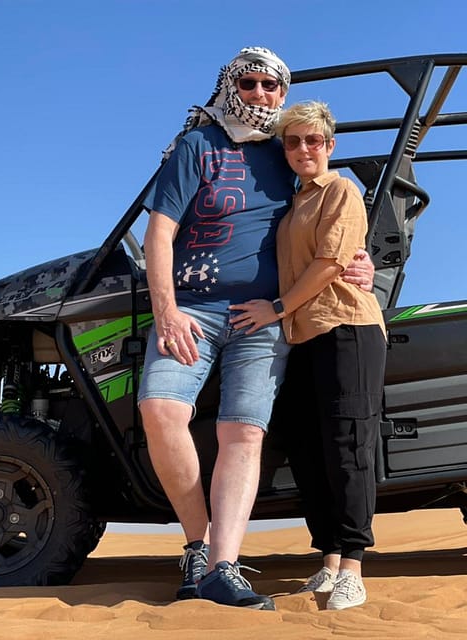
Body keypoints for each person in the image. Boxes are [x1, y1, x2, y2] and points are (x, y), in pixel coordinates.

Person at [138, 48, 375, 611]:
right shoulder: (197, 145)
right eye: (249, 83)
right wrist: (166, 310)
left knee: (243, 433)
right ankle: (198, 547)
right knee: (160, 410)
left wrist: (359, 260)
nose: (261, 94)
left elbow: (325, 218)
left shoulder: (286, 152)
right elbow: (160, 232)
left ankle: (223, 568)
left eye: (272, 85)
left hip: (263, 315)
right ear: (231, 86)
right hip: (192, 308)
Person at [229, 101, 387, 611]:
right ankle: (330, 561)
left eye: (312, 140)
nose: (302, 149)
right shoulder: (292, 201)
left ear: (329, 145)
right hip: (300, 335)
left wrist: (276, 307)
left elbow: (330, 262)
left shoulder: (341, 190)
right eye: (293, 141)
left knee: (347, 444)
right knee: (307, 448)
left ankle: (353, 568)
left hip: (346, 327)